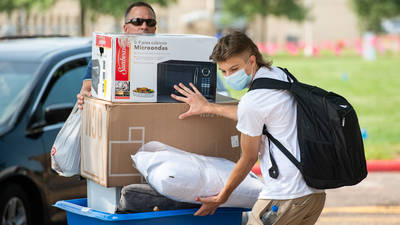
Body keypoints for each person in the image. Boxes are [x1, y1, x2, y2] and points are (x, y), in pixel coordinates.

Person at [171, 31, 326, 225]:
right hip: (313, 194)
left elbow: (248, 157)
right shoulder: (279, 75)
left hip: (284, 196)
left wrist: (222, 197)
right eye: (224, 71)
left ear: (251, 61)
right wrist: (208, 107)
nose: (229, 76)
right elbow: (257, 114)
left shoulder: (252, 101)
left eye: (234, 68)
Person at [77, 1, 157, 109]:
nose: (144, 26)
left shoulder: (168, 59)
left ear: (155, 29)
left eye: (150, 22)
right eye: (137, 21)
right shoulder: (104, 57)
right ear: (125, 29)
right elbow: (86, 90)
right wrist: (84, 97)